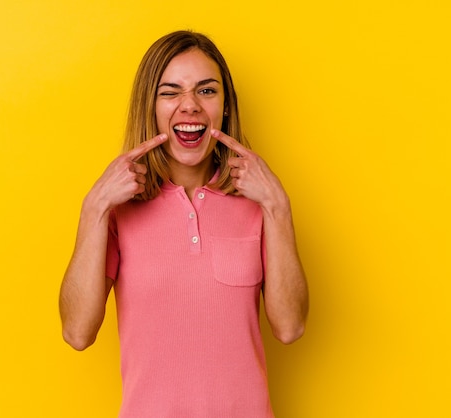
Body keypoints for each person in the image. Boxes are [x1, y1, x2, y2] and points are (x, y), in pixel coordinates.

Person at [59, 30, 309, 417]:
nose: (189, 106)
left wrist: (278, 206)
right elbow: (77, 333)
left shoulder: (260, 205)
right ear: (151, 107)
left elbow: (290, 328)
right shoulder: (118, 211)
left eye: (206, 91)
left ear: (225, 107)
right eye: (170, 92)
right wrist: (94, 208)